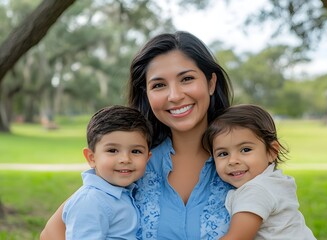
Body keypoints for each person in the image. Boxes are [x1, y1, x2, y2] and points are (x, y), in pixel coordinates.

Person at [40, 31, 234, 240]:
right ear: (146, 94)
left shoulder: (242, 160)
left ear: (211, 83)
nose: (175, 96)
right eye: (159, 85)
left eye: (187, 79)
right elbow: (52, 234)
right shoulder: (132, 163)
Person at [202, 104, 316, 240]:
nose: (232, 161)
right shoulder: (273, 181)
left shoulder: (256, 190)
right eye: (223, 153)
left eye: (245, 150)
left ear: (271, 151)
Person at [62, 105, 152, 239]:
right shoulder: (90, 201)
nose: (125, 159)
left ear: (147, 158)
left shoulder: (127, 192)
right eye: (112, 150)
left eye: (136, 151)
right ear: (91, 158)